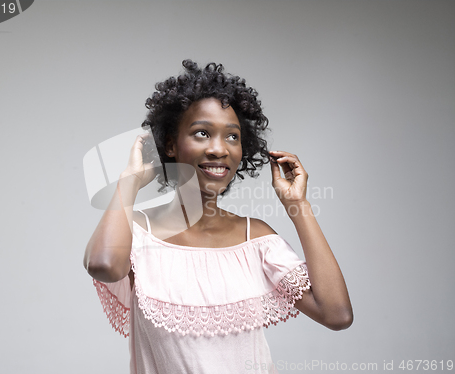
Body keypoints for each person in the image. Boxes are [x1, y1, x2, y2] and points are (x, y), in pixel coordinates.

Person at [84, 60, 353, 374]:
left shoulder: (255, 238)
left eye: (232, 137)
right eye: (202, 133)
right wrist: (128, 181)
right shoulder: (136, 233)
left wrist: (298, 205)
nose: (219, 149)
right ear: (170, 144)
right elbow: (103, 265)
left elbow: (336, 314)